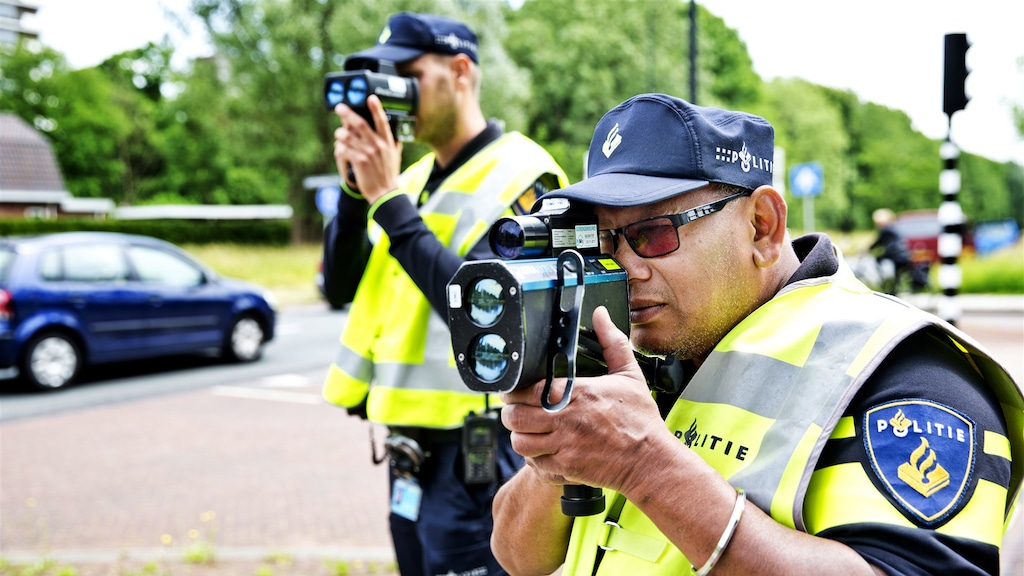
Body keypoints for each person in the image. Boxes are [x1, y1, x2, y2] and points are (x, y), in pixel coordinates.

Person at [491, 94, 1023, 575]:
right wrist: (555, 458)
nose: (624, 268)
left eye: (651, 234)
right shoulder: (638, 357)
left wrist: (644, 466)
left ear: (761, 225)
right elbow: (517, 555)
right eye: (604, 241)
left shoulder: (903, 374)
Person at [319, 12, 568, 576]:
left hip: (473, 448)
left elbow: (487, 310)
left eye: (405, 75)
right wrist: (356, 196)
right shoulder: (406, 180)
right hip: (405, 445)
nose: (390, 95)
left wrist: (386, 201)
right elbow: (337, 287)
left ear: (459, 72)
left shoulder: (525, 174)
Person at [869, 207, 929, 294]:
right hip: (903, 255)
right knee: (897, 273)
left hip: (897, 256)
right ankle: (893, 289)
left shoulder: (886, 229)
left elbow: (878, 242)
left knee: (880, 261)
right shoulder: (894, 227)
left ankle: (889, 288)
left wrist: (869, 249)